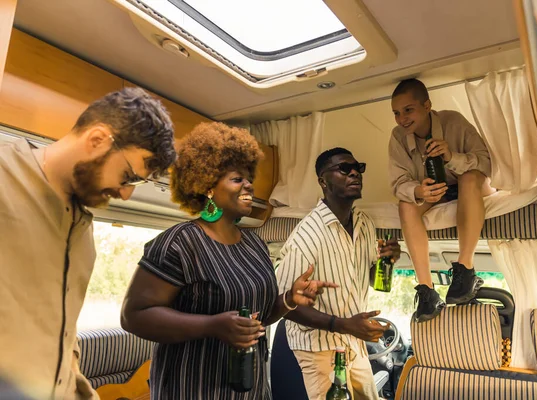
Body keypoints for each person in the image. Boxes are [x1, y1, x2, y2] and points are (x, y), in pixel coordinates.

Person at [120, 122, 337, 400]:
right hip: (192, 389)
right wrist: (212, 325)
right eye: (237, 179)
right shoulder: (180, 242)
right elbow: (133, 316)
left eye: (249, 178)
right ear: (208, 186)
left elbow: (257, 317)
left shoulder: (255, 245)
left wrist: (288, 299)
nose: (249, 184)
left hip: (251, 389)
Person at [0, 87, 177, 399]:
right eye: (128, 176)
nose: (126, 194)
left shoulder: (83, 234)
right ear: (97, 139)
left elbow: (63, 340)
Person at [276, 147, 401, 400]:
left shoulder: (365, 224)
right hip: (318, 348)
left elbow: (365, 277)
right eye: (344, 169)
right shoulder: (307, 235)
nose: (355, 173)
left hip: (353, 342)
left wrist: (386, 261)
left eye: (358, 168)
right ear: (323, 181)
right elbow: (284, 305)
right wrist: (343, 325)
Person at [388, 78, 496, 322]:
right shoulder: (397, 137)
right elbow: (398, 183)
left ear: (427, 106)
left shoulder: (453, 121)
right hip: (436, 190)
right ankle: (427, 291)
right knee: (406, 204)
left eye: (408, 110)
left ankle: (465, 269)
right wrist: (418, 191)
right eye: (396, 113)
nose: (402, 118)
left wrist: (451, 156)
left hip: (473, 184)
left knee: (469, 178)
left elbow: (486, 163)